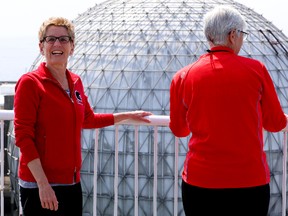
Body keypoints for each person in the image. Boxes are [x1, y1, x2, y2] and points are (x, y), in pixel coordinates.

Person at [14, 17, 152, 216]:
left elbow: (87, 119)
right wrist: (43, 185)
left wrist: (124, 116)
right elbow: (23, 137)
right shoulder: (30, 83)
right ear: (41, 46)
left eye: (64, 39)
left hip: (71, 181)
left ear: (72, 46)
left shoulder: (75, 81)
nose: (57, 44)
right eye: (50, 39)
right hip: (40, 184)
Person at [169, 5, 288, 216]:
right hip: (249, 183)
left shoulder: (182, 76)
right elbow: (276, 123)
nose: (242, 40)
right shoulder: (256, 70)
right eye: (242, 35)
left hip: (200, 183)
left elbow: (180, 130)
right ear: (233, 35)